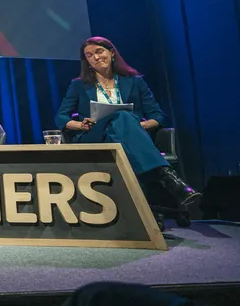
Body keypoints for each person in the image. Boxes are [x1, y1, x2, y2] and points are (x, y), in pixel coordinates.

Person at [54, 36, 200, 208]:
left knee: (124, 120)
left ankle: (143, 209)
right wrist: (80, 125)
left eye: (99, 51)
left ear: (112, 53)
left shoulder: (134, 81)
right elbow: (61, 117)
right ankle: (168, 179)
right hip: (95, 137)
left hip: (129, 137)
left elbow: (158, 116)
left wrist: (140, 125)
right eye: (89, 55)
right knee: (123, 116)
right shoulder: (79, 85)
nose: (95, 57)